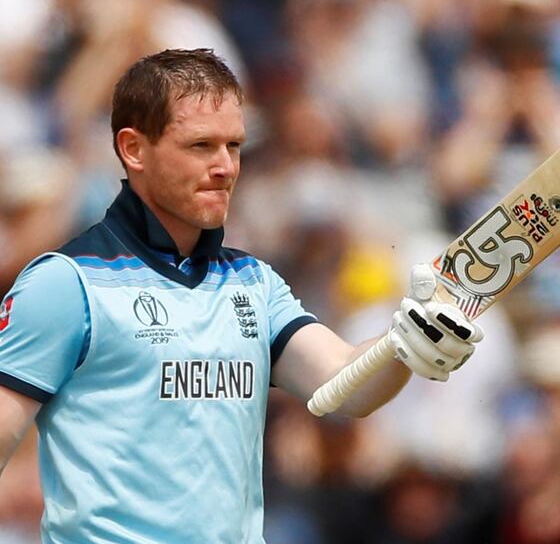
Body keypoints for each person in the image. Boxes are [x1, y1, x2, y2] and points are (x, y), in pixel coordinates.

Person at [0, 48, 484, 543]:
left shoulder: (253, 282)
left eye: (234, 146)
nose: (226, 167)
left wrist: (406, 345)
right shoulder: (67, 283)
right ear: (134, 149)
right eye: (201, 146)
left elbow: (347, 384)